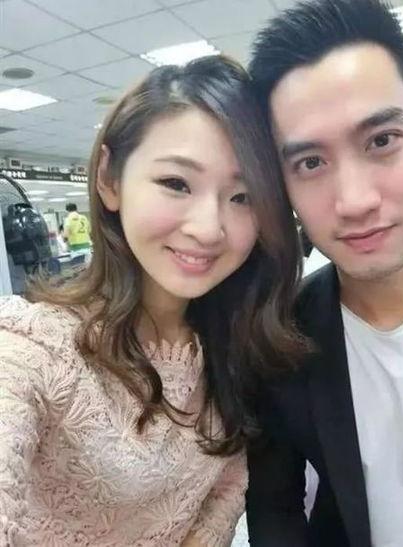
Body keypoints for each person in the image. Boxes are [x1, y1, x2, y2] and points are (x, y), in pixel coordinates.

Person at [0, 55, 305, 546]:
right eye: (176, 184)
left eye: (243, 197)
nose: (208, 228)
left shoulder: (239, 348)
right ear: (109, 179)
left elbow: (220, 508)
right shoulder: (35, 349)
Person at [246, 1, 403, 546]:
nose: (355, 201)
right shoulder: (279, 340)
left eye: (381, 141)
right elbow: (275, 509)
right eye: (310, 163)